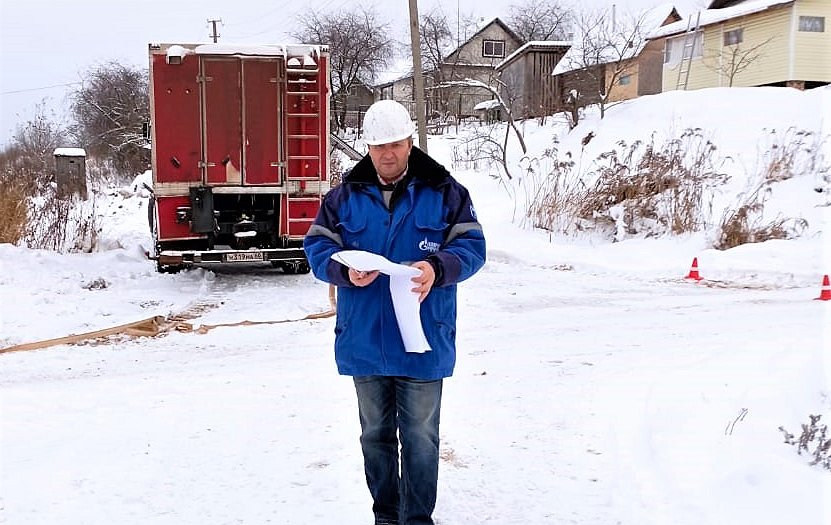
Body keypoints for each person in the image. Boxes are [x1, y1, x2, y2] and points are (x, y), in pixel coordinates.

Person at [303, 99, 486, 525]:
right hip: (364, 340)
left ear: (410, 142)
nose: (387, 154)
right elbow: (316, 248)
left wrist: (437, 267)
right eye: (378, 146)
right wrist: (344, 271)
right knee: (375, 437)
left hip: (423, 340)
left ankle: (417, 520)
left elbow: (473, 248)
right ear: (366, 148)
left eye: (396, 144)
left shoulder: (446, 192)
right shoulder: (343, 197)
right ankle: (386, 518)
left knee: (421, 438)